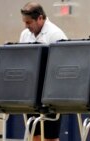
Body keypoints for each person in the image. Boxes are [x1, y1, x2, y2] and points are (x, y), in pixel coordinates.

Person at [19, 2, 67, 141]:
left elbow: (62, 66)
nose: (26, 26)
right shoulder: (25, 35)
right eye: (24, 22)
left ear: (40, 18)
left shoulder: (56, 34)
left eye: (29, 22)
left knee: (50, 136)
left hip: (51, 92)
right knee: (35, 134)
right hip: (32, 91)